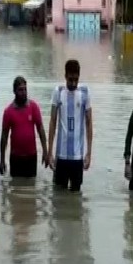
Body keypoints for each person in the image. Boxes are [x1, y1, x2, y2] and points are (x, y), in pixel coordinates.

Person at [47, 59, 93, 192]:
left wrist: (89, 153)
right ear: (65, 76)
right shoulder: (58, 91)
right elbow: (52, 121)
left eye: (76, 80)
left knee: (76, 195)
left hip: (77, 157)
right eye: (70, 79)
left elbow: (89, 123)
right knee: (59, 194)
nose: (73, 83)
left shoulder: (85, 92)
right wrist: (50, 153)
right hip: (61, 155)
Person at [0, 76, 48, 178]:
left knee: (31, 188)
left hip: (31, 156)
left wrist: (45, 151)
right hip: (16, 157)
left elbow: (41, 129)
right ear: (14, 91)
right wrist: (2, 160)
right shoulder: (8, 111)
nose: (24, 92)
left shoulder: (33, 107)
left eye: (25, 89)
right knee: (15, 188)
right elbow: (4, 136)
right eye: (20, 90)